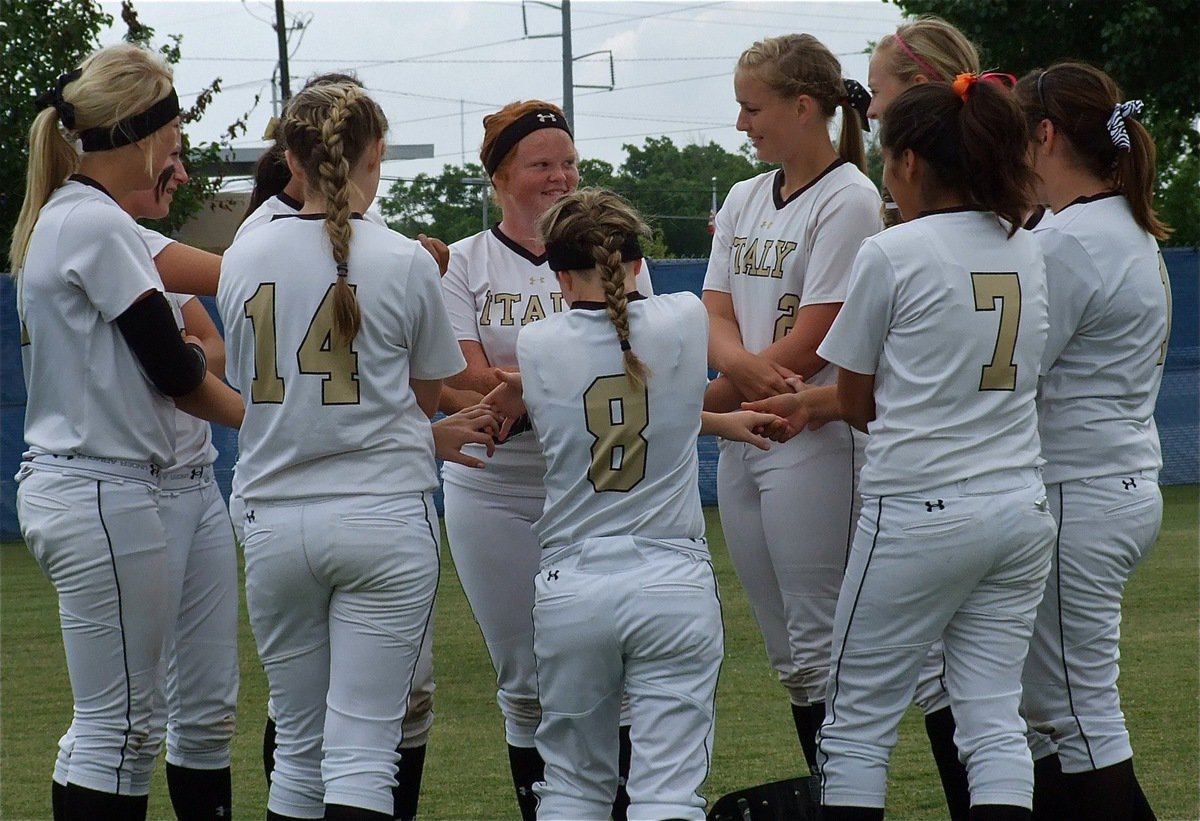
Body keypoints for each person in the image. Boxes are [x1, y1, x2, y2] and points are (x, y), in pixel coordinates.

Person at [784, 76, 1053, 820]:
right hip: (1018, 503)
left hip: (920, 508)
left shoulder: (893, 250)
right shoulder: (1025, 246)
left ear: (907, 161)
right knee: (994, 720)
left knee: (856, 727)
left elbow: (853, 399)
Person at [482, 187, 784, 820]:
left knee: (572, 790)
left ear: (559, 274)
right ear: (636, 259)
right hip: (671, 579)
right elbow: (651, 404)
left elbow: (609, 406)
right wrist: (720, 421)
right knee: (669, 794)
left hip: (574, 583)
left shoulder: (538, 345)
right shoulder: (683, 319)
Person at [216, 80, 468, 820]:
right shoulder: (403, 258)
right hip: (381, 514)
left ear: (289, 156)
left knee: (298, 748)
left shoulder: (241, 254)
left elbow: (251, 386)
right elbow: (425, 401)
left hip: (271, 516)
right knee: (361, 750)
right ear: (376, 153)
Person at [10, 43, 243, 820]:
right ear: (139, 137)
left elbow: (193, 348)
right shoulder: (93, 223)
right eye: (170, 145)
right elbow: (177, 372)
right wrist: (278, 422)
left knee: (175, 722)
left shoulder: (91, 219)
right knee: (119, 730)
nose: (177, 163)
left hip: (136, 484)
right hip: (103, 483)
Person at [438, 99, 653, 821]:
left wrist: (524, 388)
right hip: (495, 484)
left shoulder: (616, 251)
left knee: (612, 672)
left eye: (568, 161)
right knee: (525, 681)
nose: (560, 175)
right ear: (501, 175)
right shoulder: (465, 262)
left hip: (596, 483)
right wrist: (563, 381)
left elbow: (635, 361)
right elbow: (459, 380)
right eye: (541, 163)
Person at [700, 32, 881, 775]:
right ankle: (828, 788)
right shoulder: (746, 195)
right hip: (747, 436)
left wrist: (710, 390)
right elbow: (711, 312)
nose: (742, 124)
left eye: (753, 108)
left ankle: (847, 794)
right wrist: (735, 373)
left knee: (822, 644)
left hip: (812, 436)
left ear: (804, 107)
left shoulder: (850, 197)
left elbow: (816, 337)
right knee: (788, 653)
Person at [1014, 62, 1170, 821]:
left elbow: (1013, 374)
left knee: (1076, 716)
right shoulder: (1117, 226)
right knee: (1049, 716)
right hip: (1109, 484)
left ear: (1044, 135)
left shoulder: (1072, 239)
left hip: (1082, 489)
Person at [861, 17, 986, 818]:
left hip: (930, 486)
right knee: (1000, 705)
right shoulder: (1017, 222)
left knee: (859, 708)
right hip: (1012, 486)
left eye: (878, 94)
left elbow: (851, 389)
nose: (869, 113)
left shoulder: (903, 241)